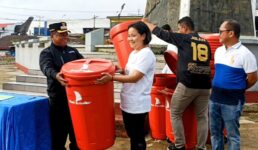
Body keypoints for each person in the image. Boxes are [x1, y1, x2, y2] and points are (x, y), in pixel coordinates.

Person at [143, 17, 211, 150]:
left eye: (179, 28)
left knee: (175, 112)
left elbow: (162, 33)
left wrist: (146, 23)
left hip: (188, 84)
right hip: (205, 85)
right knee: (202, 117)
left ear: (185, 28)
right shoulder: (205, 42)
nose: (178, 31)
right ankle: (201, 147)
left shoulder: (184, 38)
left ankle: (179, 146)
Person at [95, 21, 156, 150]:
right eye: (128, 36)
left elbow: (134, 77)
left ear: (143, 36)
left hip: (137, 104)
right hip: (128, 102)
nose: (129, 39)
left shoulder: (146, 54)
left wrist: (111, 78)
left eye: (133, 36)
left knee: (137, 137)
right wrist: (117, 70)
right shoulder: (134, 53)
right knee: (132, 135)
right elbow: (128, 72)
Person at [209, 19, 258, 150]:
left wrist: (238, 88)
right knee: (215, 133)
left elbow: (253, 78)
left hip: (232, 101)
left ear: (231, 33)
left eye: (221, 31)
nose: (218, 34)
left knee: (232, 135)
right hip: (214, 99)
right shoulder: (219, 51)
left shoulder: (246, 54)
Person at [39, 22, 83, 150]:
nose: (65, 37)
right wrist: (56, 75)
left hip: (75, 100)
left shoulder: (73, 51)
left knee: (77, 134)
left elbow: (84, 64)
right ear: (52, 35)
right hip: (59, 101)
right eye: (61, 35)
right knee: (58, 137)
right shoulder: (46, 53)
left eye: (66, 34)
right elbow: (46, 68)